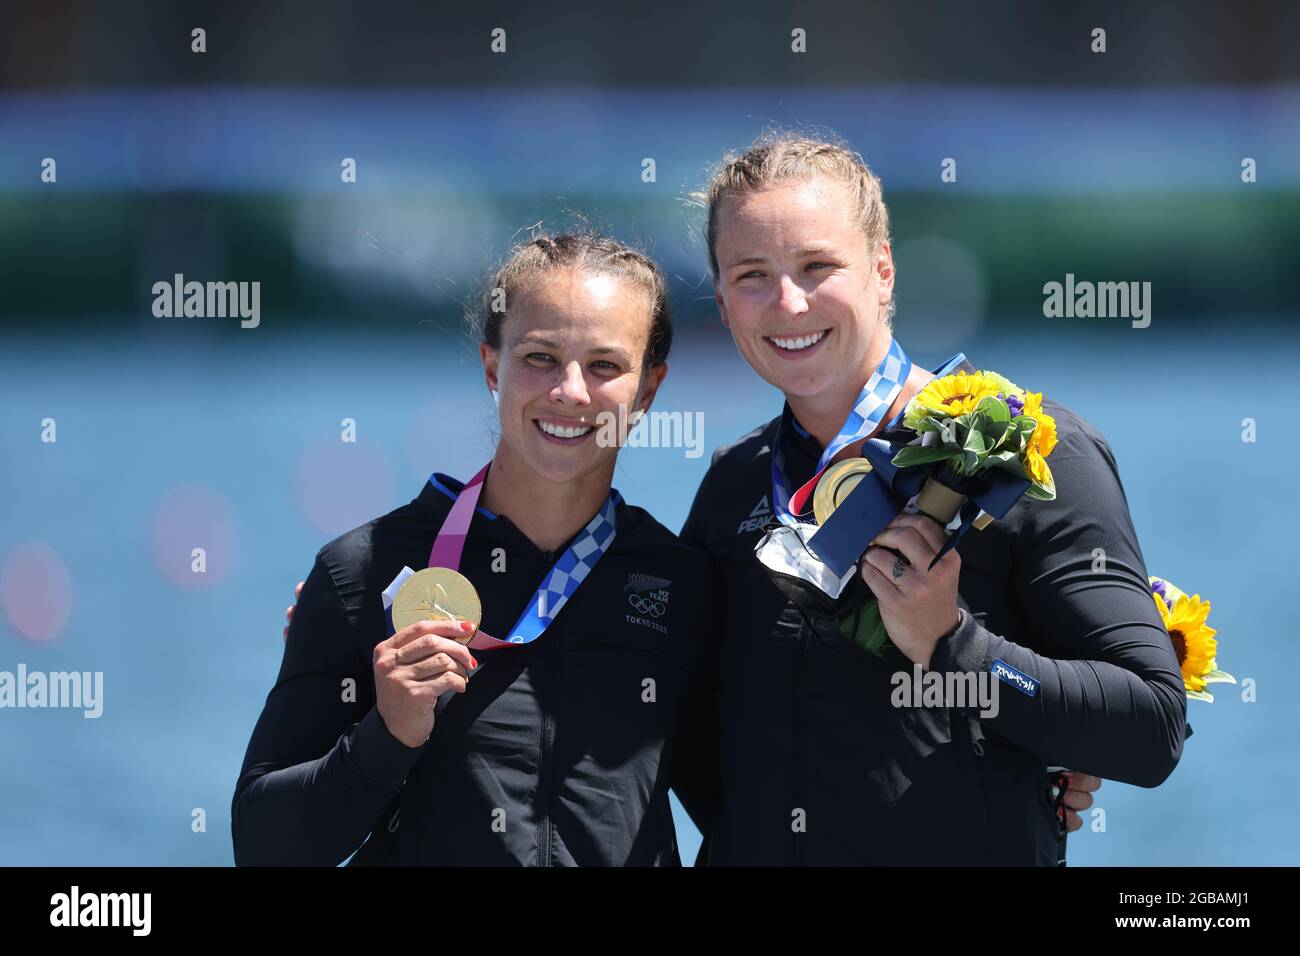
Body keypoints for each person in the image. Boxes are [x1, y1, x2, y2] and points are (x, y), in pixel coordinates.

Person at [680, 132, 1188, 865]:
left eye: (817, 266)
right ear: (724, 303)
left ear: (883, 271)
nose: (787, 302)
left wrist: (955, 645)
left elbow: (1150, 728)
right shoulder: (733, 483)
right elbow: (690, 736)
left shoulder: (1033, 455)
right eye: (751, 274)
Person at [233, 231, 722, 866]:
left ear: (649, 390)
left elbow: (756, 813)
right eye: (540, 357)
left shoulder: (682, 584)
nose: (570, 391)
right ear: (493, 365)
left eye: (604, 365)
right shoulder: (363, 570)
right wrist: (387, 736)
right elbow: (264, 847)